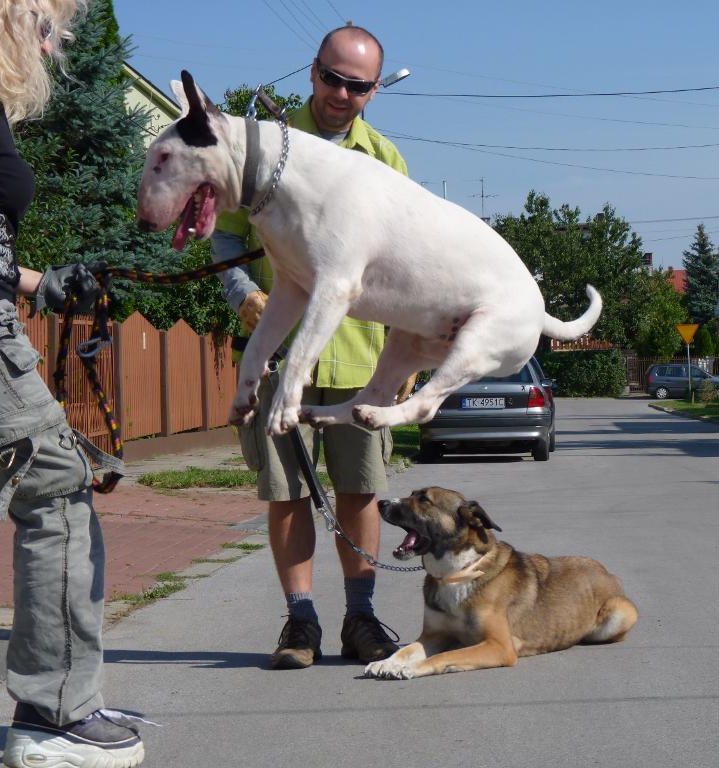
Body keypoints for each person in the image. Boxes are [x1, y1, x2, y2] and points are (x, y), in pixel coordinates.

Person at [0, 2, 147, 767]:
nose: (55, 44)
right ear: (9, 18)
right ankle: (56, 711)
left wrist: (39, 281)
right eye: (49, 24)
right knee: (57, 488)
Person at [211, 24, 408, 671]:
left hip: (361, 359)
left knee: (360, 490)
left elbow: (408, 263)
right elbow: (225, 237)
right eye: (332, 78)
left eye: (356, 85)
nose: (340, 93)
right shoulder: (266, 147)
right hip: (279, 353)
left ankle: (360, 619)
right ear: (313, 70)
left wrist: (403, 356)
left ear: (373, 91)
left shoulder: (383, 159)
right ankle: (300, 626)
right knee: (287, 492)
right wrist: (242, 291)